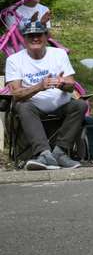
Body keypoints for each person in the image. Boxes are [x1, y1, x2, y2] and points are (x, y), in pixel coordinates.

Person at [4, 21, 84, 170]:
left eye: (38, 35)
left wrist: (62, 83)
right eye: (30, 36)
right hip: (33, 106)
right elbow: (16, 94)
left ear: (46, 36)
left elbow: (71, 84)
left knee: (80, 105)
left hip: (60, 105)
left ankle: (60, 152)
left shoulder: (59, 54)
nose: (35, 38)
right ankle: (44, 154)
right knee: (22, 106)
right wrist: (39, 86)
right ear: (24, 38)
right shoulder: (14, 60)